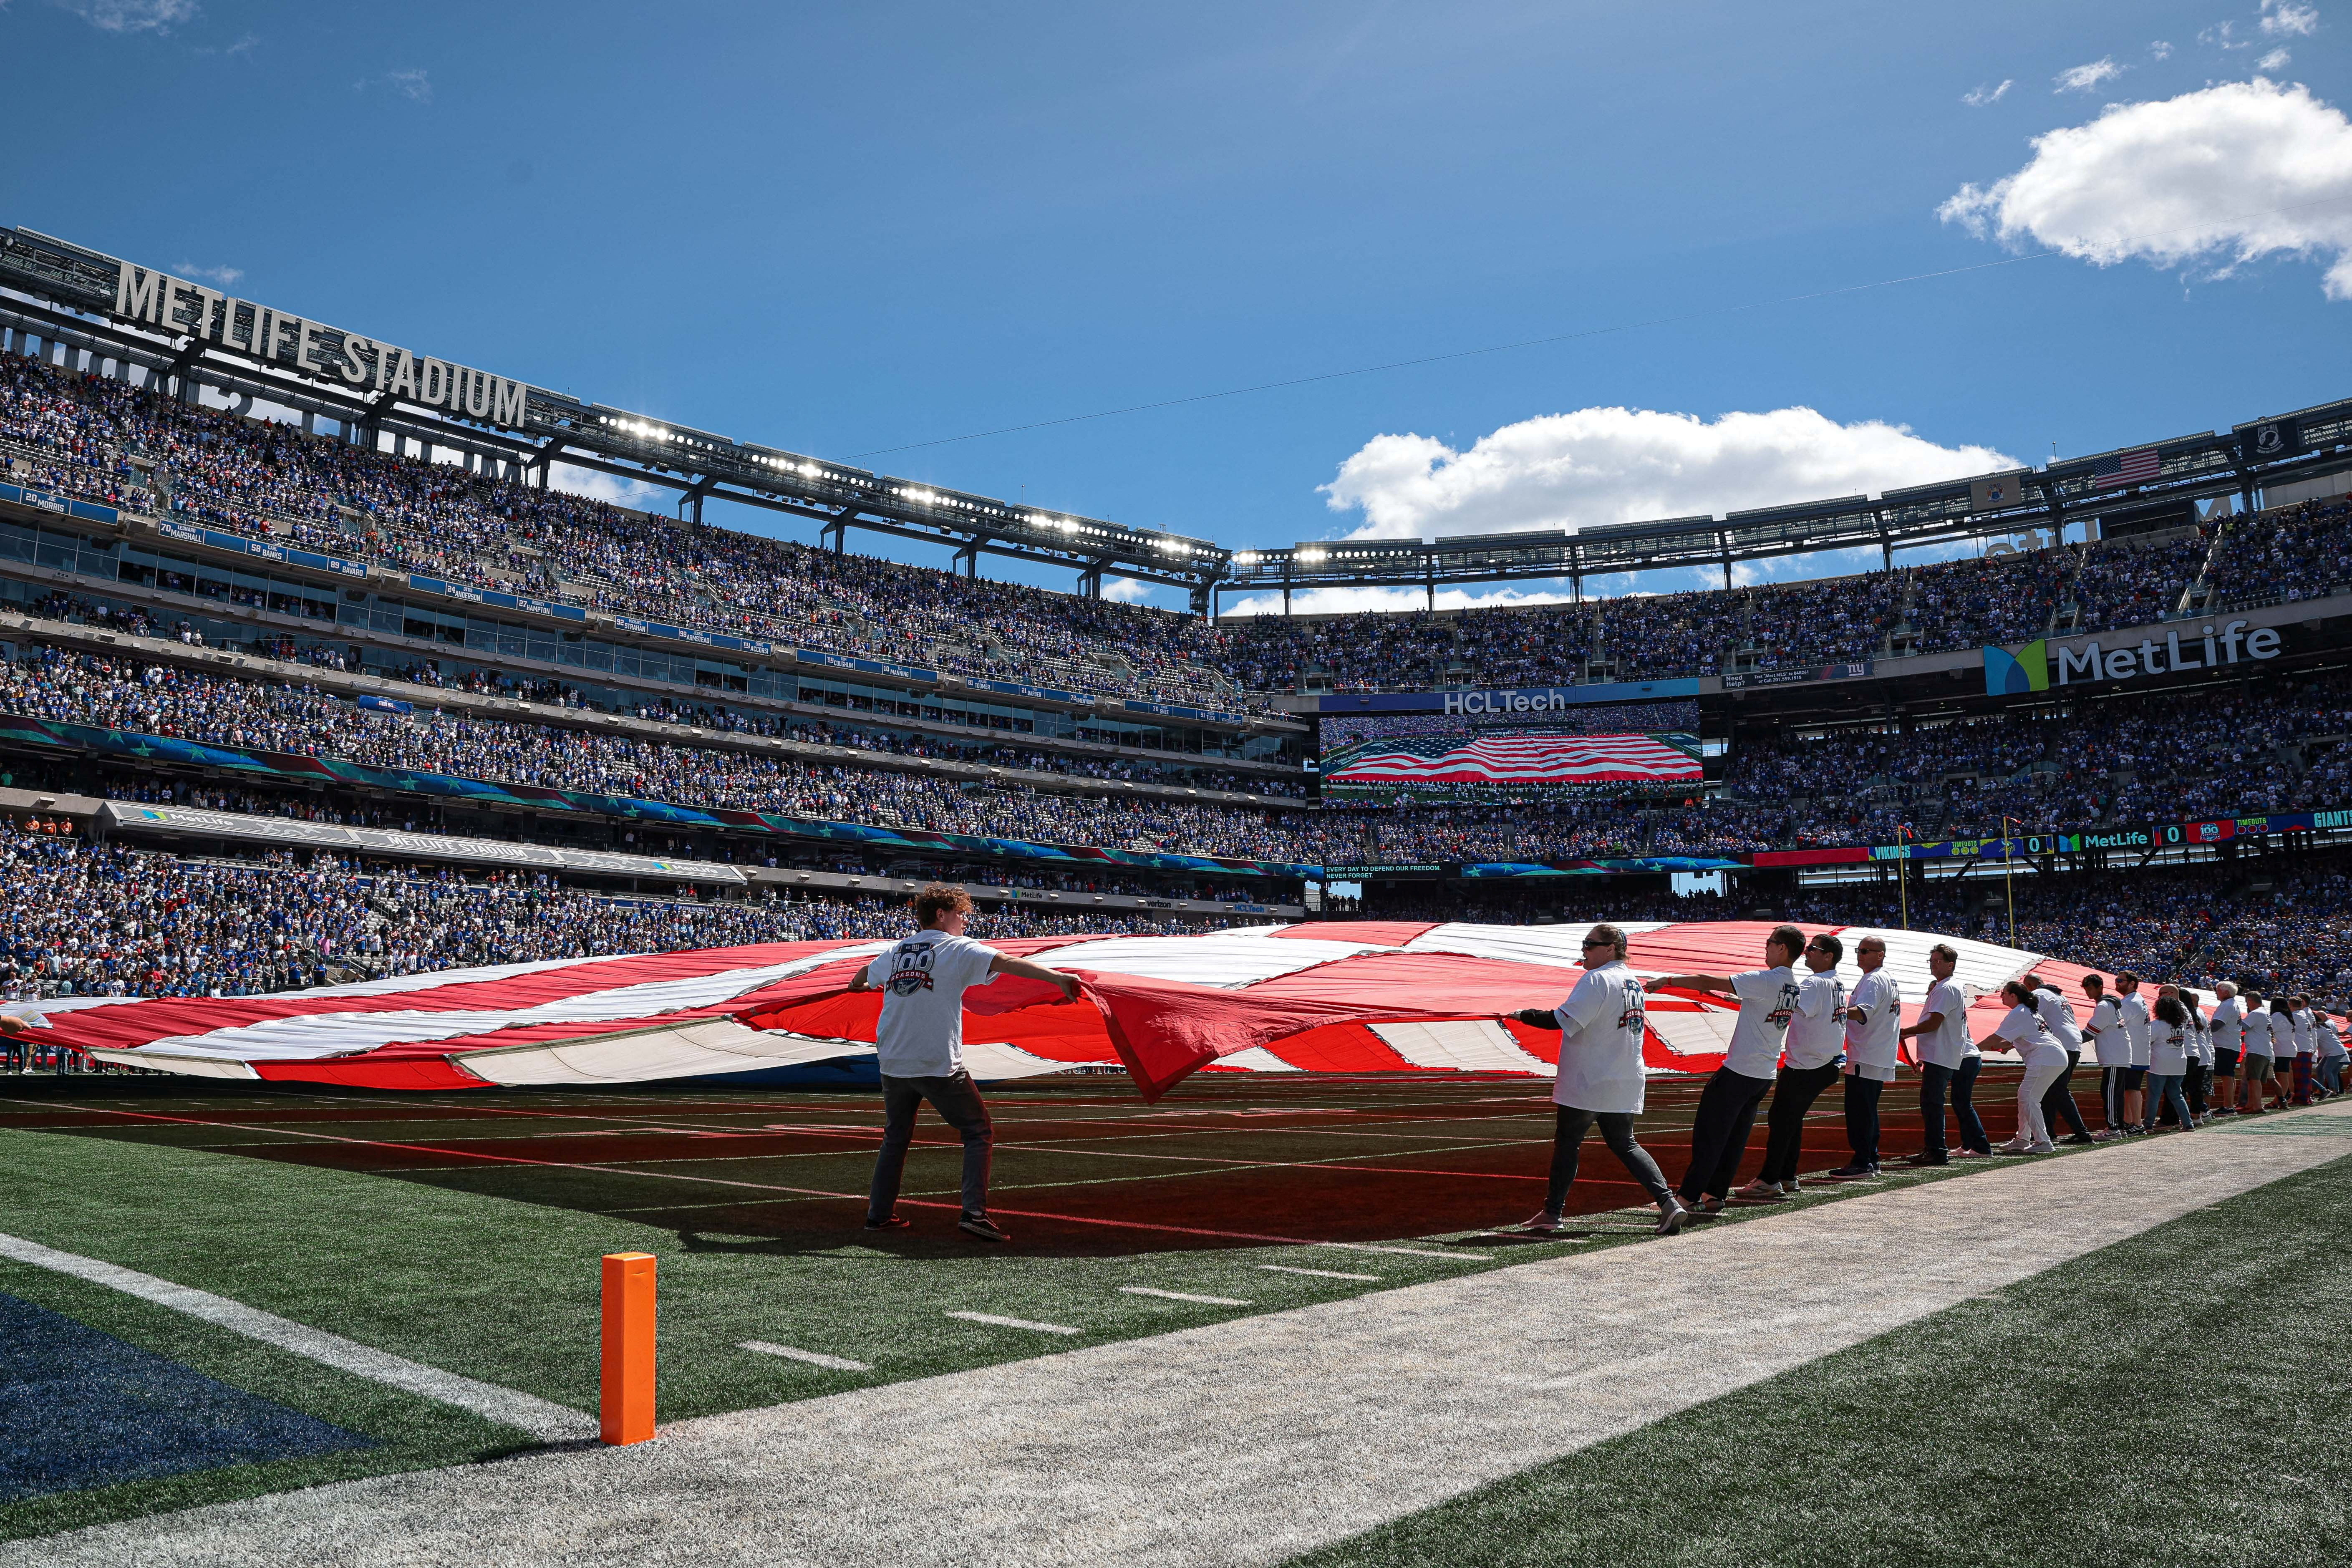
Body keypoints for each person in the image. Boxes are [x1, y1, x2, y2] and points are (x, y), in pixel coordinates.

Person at [849, 882, 1079, 1243]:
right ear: (941, 914)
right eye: (962, 914)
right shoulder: (955, 948)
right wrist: (1058, 978)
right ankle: (974, 1214)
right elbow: (1008, 962)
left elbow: (859, 978)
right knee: (978, 1131)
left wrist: (864, 988)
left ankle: (878, 1216)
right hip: (936, 1060)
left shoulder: (896, 951)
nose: (966, 922)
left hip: (893, 1059)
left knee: (895, 1137)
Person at [1503, 923, 1689, 1238]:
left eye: (1590, 945)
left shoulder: (1596, 978)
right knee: (1625, 1144)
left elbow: (1562, 1020)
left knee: (1568, 1143)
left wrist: (1521, 1014)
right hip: (1624, 1074)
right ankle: (1668, 1203)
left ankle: (1552, 1212)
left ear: (1610, 949)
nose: (1584, 950)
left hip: (1590, 1077)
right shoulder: (1632, 981)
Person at [1651, 923, 1805, 1216]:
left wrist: (1668, 980)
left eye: (1769, 943)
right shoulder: (1792, 985)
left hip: (1739, 1071)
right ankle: (1715, 1194)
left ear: (1782, 948)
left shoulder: (1766, 980)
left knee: (1710, 1135)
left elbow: (1706, 979)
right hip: (1763, 1073)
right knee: (1735, 1138)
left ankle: (1687, 1196)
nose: (1766, 948)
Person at [1738, 932, 1849, 1202]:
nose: (1807, 952)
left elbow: (1787, 1007)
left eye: (1814, 949)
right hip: (1825, 1063)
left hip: (1806, 1065)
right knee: (1790, 1119)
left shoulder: (1814, 983)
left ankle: (1770, 1179)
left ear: (1828, 956)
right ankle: (1786, 1176)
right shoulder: (1835, 982)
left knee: (1781, 1120)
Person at [1900, 943, 1990, 1166]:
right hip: (1948, 1053)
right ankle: (1959, 1146)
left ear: (1951, 965)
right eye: (1931, 961)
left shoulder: (1946, 988)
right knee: (1951, 1103)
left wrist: (1904, 1033)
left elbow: (1934, 1023)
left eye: (1938, 961)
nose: (1933, 965)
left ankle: (1937, 1150)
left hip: (1942, 1056)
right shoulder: (1947, 987)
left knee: (1933, 1104)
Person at [1831, 933, 1900, 1179]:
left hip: (1866, 1053)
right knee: (1868, 1109)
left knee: (1859, 1110)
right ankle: (1871, 1158)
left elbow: (1862, 1012)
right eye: (1859, 950)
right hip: (1876, 1052)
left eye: (1865, 951)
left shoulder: (1874, 980)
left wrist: (1832, 1010)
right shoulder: (1887, 979)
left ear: (1880, 954)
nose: (1860, 955)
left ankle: (1862, 1162)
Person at [1986, 978, 2067, 1155]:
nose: (2002, 996)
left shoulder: (2019, 1012)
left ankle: (2043, 1140)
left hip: (2045, 1058)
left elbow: (1995, 1038)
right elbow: (2029, 1035)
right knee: (2027, 1097)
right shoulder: (2029, 1012)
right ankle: (2022, 1139)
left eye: (2004, 993)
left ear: (2013, 996)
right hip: (2053, 1056)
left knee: (2028, 1097)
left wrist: (1971, 1049)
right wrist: (2009, 1046)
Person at [2029, 972, 2095, 1146]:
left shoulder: (2038, 995)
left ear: (2030, 987)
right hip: (2073, 1042)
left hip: (2061, 1044)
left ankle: (2081, 1132)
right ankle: (2048, 1132)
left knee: (2058, 1089)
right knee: (2050, 1089)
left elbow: (2033, 1018)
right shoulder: (2059, 996)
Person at [2082, 973, 2128, 1137]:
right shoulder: (2110, 1005)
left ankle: (2114, 1128)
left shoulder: (2103, 1006)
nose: (2088, 993)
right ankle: (2119, 1126)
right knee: (2115, 1092)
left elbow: (2090, 1033)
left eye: (2090, 989)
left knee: (2109, 1092)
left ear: (2100, 988)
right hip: (2118, 1054)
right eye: (2086, 989)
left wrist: (2069, 1041)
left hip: (2114, 1055)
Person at [2146, 991, 2196, 1135]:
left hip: (2160, 1064)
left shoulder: (2157, 1025)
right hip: (2179, 1063)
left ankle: (2148, 1124)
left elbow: (2148, 1040)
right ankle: (2188, 1123)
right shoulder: (2180, 1024)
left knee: (2154, 1095)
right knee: (2177, 1095)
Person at [2115, 972, 2151, 1134]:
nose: (2117, 983)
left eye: (2120, 981)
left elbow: (2116, 1024)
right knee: (2129, 1089)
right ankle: (2130, 1122)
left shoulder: (2129, 1003)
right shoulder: (2137, 999)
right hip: (2138, 1051)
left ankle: (2136, 1124)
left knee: (2133, 1088)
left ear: (2132, 984)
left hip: (2133, 1052)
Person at [2208, 983, 2244, 1117]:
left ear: (2226, 992)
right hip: (2230, 1044)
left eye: (2218, 990)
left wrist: (2201, 1030)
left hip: (2225, 1045)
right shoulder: (2232, 1004)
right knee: (2229, 1075)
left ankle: (2228, 1106)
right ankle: (2229, 1105)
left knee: (2227, 1076)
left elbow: (2217, 1025)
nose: (2216, 993)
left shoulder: (2227, 1006)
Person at [2242, 994, 2281, 1113]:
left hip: (2257, 1051)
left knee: (2254, 1080)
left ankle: (2257, 1106)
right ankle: (2253, 1104)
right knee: (2255, 1080)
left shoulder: (2256, 1014)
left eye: (2247, 1002)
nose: (2247, 1005)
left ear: (2250, 1001)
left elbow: (2243, 1027)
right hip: (2264, 1050)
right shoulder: (2265, 1013)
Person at [2289, 994, 2318, 1106]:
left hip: (2301, 1048)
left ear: (2291, 1005)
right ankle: (2305, 1098)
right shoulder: (2304, 1014)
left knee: (2300, 1075)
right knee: (2305, 1075)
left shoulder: (2296, 1016)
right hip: (2306, 1046)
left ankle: (2302, 1099)